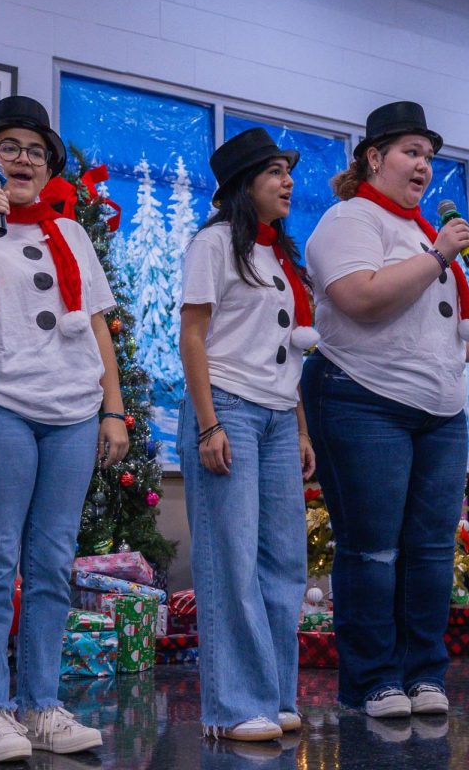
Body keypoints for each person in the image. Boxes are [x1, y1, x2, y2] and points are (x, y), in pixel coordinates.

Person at [301, 102, 469, 720]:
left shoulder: (415, 232)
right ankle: (373, 681)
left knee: (433, 549)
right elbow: (361, 301)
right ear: (373, 157)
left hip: (438, 411)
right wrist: (438, 255)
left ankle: (423, 674)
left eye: (430, 156)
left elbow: (433, 333)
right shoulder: (349, 221)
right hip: (362, 399)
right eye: (411, 152)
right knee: (373, 550)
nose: (423, 166)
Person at [0, 96, 127, 762]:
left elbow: (100, 324)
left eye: (35, 151)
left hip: (73, 408)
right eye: (9, 147)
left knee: (51, 563)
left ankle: (43, 704)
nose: (23, 159)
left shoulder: (71, 234)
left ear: (50, 167)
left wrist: (113, 408)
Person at [178, 127, 317, 743]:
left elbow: (288, 351)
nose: (288, 182)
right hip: (228, 407)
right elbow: (193, 337)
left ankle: (275, 695)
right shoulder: (213, 244)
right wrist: (208, 423)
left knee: (284, 561)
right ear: (243, 186)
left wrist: (301, 428)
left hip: (279, 414)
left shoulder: (281, 258)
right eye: (274, 173)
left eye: (288, 171)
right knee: (231, 559)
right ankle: (234, 705)